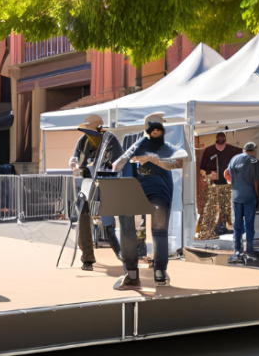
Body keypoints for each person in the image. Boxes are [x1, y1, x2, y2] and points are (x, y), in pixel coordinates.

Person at [113, 114, 191, 288]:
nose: (155, 132)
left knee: (159, 229)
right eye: (152, 128)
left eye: (158, 128)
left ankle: (159, 271)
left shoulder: (166, 147)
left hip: (159, 192)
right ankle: (133, 273)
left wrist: (155, 160)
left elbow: (182, 159)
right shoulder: (138, 145)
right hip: (135, 191)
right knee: (127, 226)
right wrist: (131, 158)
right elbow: (117, 165)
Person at [68, 114, 124, 269]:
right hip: (86, 183)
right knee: (82, 217)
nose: (88, 134)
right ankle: (87, 257)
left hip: (106, 182)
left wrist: (109, 166)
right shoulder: (83, 140)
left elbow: (120, 161)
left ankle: (121, 253)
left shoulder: (109, 139)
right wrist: (73, 164)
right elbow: (74, 157)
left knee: (108, 218)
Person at [224, 142, 259, 262]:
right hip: (249, 197)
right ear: (255, 150)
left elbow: (227, 175)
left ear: (243, 149)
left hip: (236, 197)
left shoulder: (234, 159)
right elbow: (257, 181)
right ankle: (249, 250)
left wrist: (237, 184)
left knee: (237, 225)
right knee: (249, 224)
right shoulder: (255, 161)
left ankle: (237, 250)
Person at [198, 132, 241, 239]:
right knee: (211, 207)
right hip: (214, 185)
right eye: (218, 142)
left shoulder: (233, 150)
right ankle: (209, 230)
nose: (220, 145)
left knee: (228, 207)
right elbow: (202, 168)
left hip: (228, 184)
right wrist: (208, 174)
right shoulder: (209, 151)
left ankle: (229, 226)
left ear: (225, 140)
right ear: (216, 141)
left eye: (223, 142)